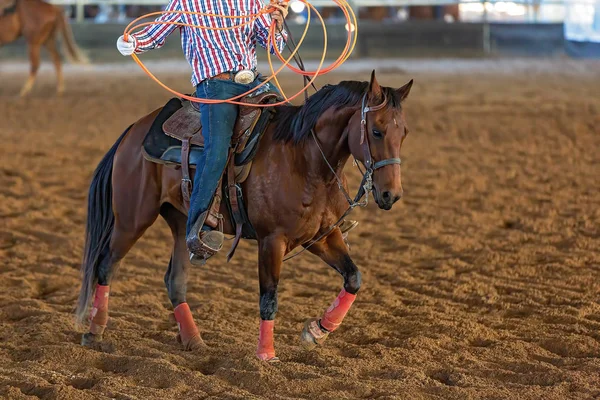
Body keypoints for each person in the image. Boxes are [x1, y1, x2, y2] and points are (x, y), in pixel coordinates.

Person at [116, 0, 289, 264]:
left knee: (291, 129)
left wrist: (278, 24)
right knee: (217, 148)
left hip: (253, 82)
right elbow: (155, 33)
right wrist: (132, 43)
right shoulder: (187, 2)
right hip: (215, 86)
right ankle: (198, 226)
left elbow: (272, 45)